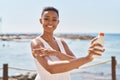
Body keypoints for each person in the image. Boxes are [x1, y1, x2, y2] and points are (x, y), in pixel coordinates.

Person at [31, 6, 105, 80]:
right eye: (46, 19)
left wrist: (57, 53)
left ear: (58, 22)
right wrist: (87, 58)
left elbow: (76, 65)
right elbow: (51, 68)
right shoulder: (36, 43)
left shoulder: (61, 42)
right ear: (41, 21)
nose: (50, 22)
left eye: (54, 19)